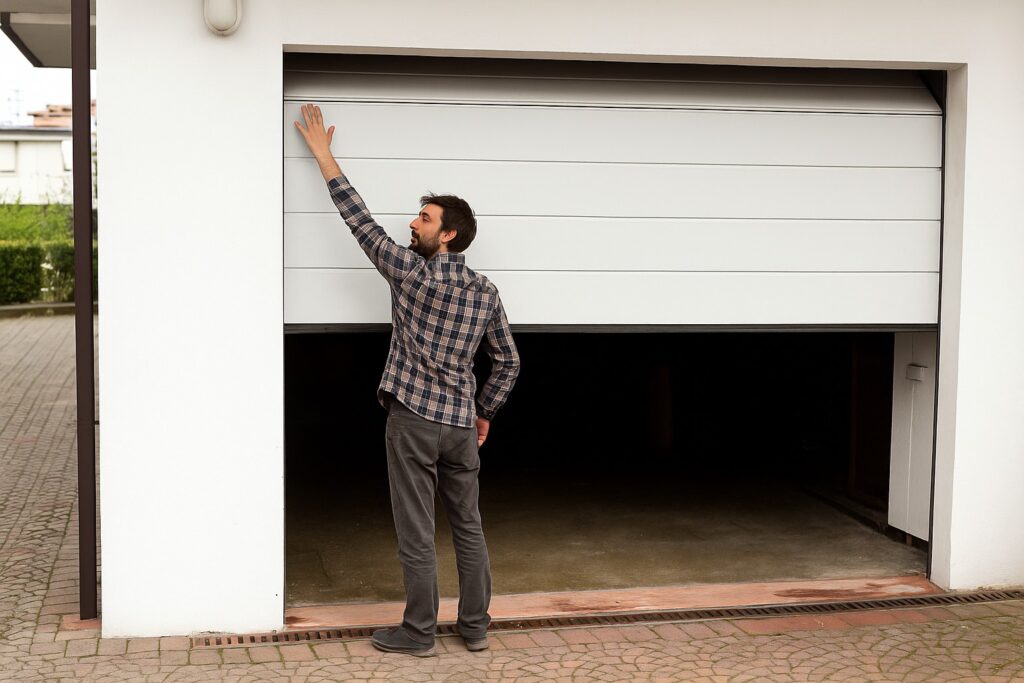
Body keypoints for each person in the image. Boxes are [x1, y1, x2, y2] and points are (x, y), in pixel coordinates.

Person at [294, 104, 521, 657]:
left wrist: (325, 157)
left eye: (423, 218)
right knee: (468, 528)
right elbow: (509, 361)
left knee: (417, 532)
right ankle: (474, 629)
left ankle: (419, 634)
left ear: (448, 235)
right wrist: (483, 409)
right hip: (461, 428)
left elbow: (358, 221)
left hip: (413, 423)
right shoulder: (485, 291)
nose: (412, 223)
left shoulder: (411, 273)